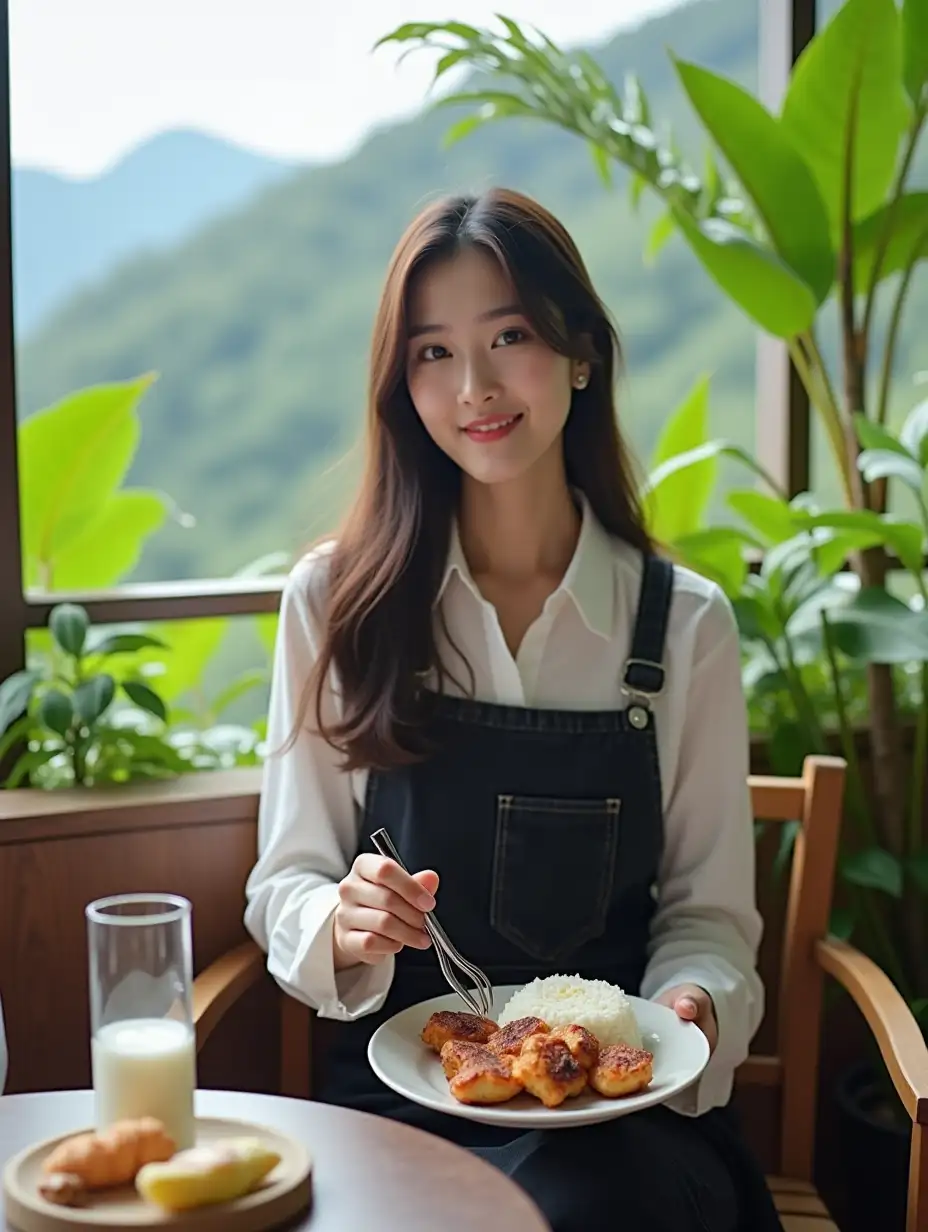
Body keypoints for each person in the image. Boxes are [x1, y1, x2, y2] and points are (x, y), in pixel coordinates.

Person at [244, 187, 782, 1232]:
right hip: (395, 1110)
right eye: (434, 353)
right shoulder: (336, 601)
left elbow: (708, 921)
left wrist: (690, 1010)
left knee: (587, 1202)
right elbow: (287, 881)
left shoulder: (683, 626)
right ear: (401, 385)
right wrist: (341, 922)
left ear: (581, 350)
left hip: (623, 1118)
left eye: (510, 336)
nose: (475, 386)